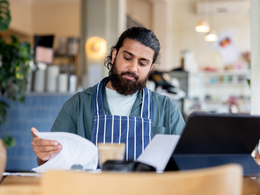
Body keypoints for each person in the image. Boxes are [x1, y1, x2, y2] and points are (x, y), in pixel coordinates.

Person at [31, 27, 185, 166]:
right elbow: (52, 162)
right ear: (114, 55)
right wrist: (44, 155)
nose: (133, 68)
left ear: (150, 68)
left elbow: (184, 162)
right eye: (127, 58)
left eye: (142, 63)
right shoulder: (77, 105)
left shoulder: (166, 109)